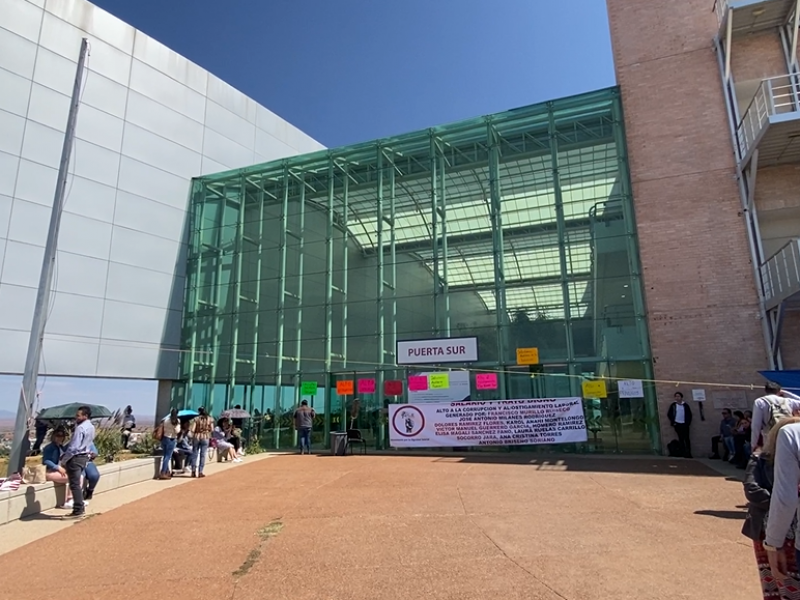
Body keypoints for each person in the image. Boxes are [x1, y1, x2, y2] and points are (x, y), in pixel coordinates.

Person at [742, 416, 800, 599]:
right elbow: (752, 489)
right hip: (767, 526)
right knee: (773, 577)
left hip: (791, 527)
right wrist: (775, 502)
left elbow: (786, 497)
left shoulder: (791, 443)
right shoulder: (760, 459)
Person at [59, 406, 95, 518]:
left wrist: (64, 460)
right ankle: (80, 507)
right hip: (84, 457)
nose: (76, 417)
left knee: (74, 484)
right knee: (77, 483)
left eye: (78, 415)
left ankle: (78, 509)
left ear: (85, 416)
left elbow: (73, 447)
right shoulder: (91, 427)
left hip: (76, 457)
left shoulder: (80, 428)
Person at [751, 382, 800, 452]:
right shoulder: (788, 401)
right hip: (787, 434)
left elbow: (756, 425)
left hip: (769, 437)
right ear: (779, 390)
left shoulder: (760, 402)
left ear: (766, 390)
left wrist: (754, 444)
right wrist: (786, 393)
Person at [42, 427, 77, 509]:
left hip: (60, 471)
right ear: (54, 436)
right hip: (49, 472)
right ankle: (69, 499)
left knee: (79, 477)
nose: (60, 438)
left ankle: (75, 499)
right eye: (58, 435)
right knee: (72, 479)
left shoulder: (61, 447)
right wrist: (57, 467)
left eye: (62, 436)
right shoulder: (49, 448)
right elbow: (46, 460)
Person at [667, 392, 693, 458]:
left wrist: (687, 423)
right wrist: (673, 422)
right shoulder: (673, 405)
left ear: (681, 397)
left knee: (687, 438)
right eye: (676, 396)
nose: (677, 398)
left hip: (684, 424)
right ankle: (682, 452)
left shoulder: (685, 405)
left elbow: (689, 414)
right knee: (681, 438)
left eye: (678, 396)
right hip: (677, 423)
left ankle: (688, 452)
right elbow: (669, 414)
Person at [191, 407, 214, 478]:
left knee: (194, 453)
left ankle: (193, 471)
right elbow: (212, 429)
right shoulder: (210, 419)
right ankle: (200, 472)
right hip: (205, 436)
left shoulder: (196, 419)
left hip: (197, 436)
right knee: (203, 454)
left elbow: (192, 429)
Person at [158, 409, 180, 480]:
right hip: (171, 439)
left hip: (164, 437)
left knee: (165, 456)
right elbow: (177, 431)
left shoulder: (166, 420)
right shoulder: (177, 421)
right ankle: (163, 472)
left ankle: (166, 471)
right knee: (168, 456)